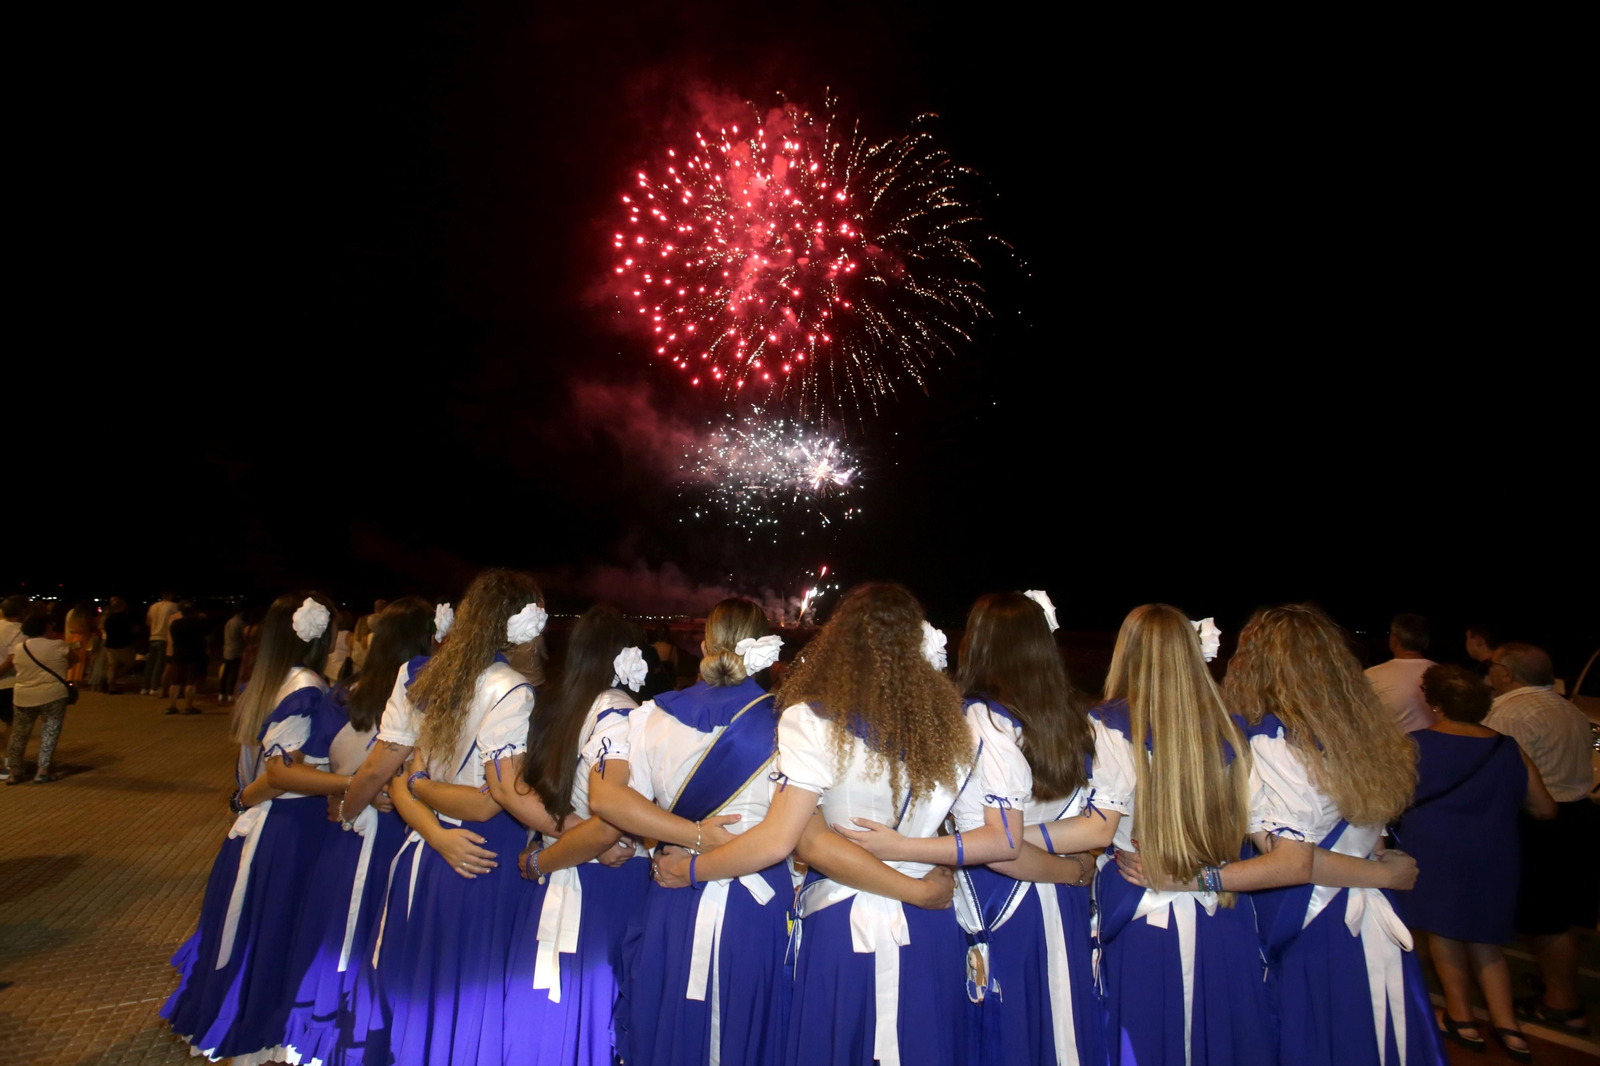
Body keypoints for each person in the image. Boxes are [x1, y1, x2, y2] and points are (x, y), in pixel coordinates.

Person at [653, 585, 1016, 1066]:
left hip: (840, 927)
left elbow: (793, 839)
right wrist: (920, 879)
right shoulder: (958, 725)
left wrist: (692, 870)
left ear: (840, 645)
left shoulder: (812, 721)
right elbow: (993, 836)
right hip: (927, 920)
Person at [1194, 604, 1443, 1066]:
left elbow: (1293, 861)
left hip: (1311, 921)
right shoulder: (1362, 731)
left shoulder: (1275, 742)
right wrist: (1381, 874)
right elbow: (1370, 834)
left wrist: (1201, 879)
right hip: (1363, 913)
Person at [881, 590, 1106, 1066]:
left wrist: (911, 845)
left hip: (1000, 898)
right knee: (1055, 1024)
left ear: (976, 645)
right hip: (1059, 896)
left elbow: (1002, 848)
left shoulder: (982, 721)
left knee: (1006, 1033)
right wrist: (1074, 872)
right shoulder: (1078, 720)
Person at [584, 597, 792, 1066]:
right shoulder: (790, 725)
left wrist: (687, 834)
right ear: (766, 651)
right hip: (753, 903)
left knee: (668, 1021)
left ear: (703, 645)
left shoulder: (650, 717)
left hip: (672, 889)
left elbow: (610, 801)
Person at [160, 592, 343, 1062]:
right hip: (290, 826)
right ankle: (257, 1028)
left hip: (272, 824)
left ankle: (242, 1018)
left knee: (259, 926)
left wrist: (242, 799)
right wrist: (357, 781)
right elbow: (279, 775)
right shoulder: (305, 686)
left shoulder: (270, 681)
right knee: (274, 926)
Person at [1089, 604, 1273, 1066]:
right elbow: (1271, 841)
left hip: (1138, 908)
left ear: (1125, 652)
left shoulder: (1108, 725)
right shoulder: (1234, 731)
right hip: (1223, 911)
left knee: (1143, 1036)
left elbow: (1096, 825)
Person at [384, 569, 546, 1065]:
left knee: (426, 991)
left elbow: (398, 778)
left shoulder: (432, 675)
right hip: (484, 857)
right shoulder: (511, 690)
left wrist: (431, 825)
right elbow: (485, 803)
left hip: (432, 851)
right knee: (472, 997)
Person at [278, 596, 437, 1065]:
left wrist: (347, 794)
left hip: (344, 837)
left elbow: (308, 763)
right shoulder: (423, 698)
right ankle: (359, 1041)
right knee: (370, 941)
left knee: (333, 935)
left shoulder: (343, 695)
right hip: (394, 835)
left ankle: (315, 1043)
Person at [498, 604, 651, 1066]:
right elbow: (609, 821)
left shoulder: (556, 710)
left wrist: (542, 855)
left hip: (555, 879)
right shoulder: (618, 714)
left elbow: (541, 799)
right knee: (589, 1005)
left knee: (548, 1014)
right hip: (602, 885)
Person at [1398, 664, 1556, 1059]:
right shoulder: (1507, 747)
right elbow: (1544, 808)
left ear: (1434, 702)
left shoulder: (1413, 744)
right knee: (1487, 939)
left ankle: (1461, 1016)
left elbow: (1390, 801)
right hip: (1494, 852)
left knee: (1445, 935)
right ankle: (1508, 1027)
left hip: (1435, 850)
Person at [1486, 641, 1599, 1037]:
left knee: (1549, 918)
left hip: (1543, 818)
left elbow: (1499, 775)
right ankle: (1558, 984)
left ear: (1508, 674)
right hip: (1580, 812)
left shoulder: (1510, 712)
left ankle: (1561, 1004)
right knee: (1565, 914)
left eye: (1495, 665)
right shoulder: (1569, 709)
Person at [4, 608, 81, 785]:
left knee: (18, 734)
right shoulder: (59, 645)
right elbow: (74, 659)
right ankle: (42, 771)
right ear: (47, 627)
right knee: (50, 732)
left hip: (23, 695)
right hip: (53, 694)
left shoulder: (20, 648)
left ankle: (14, 772)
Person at [1364, 613, 1437, 732]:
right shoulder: (1444, 674)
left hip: (1393, 748)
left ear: (1393, 640)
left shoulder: (1372, 676)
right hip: (1438, 747)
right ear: (1426, 642)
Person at [163, 602, 209, 715]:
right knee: (190, 682)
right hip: (194, 655)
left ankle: (172, 706)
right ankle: (188, 706)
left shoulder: (175, 624)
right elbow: (207, 635)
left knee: (175, 682)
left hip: (178, 655)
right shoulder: (199, 623)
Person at [143, 590, 181, 695]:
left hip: (153, 636)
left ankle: (145, 687)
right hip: (164, 637)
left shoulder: (153, 606)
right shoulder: (174, 606)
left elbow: (148, 622)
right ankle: (154, 687)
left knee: (150, 663)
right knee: (160, 664)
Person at [0, 595, 27, 735]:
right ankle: (8, 755)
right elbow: (11, 659)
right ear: (22, 611)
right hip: (8, 683)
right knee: (11, 722)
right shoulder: (20, 630)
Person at [101, 597, 137, 693]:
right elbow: (131, 630)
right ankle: (112, 679)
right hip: (123, 644)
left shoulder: (108, 618)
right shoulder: (126, 618)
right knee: (130, 663)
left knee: (112, 665)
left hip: (109, 644)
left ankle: (110, 684)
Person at [218, 607, 247, 704]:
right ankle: (230, 694)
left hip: (227, 650)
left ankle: (222, 693)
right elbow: (244, 637)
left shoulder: (229, 622)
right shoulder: (240, 623)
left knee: (225, 674)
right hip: (237, 651)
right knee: (234, 674)